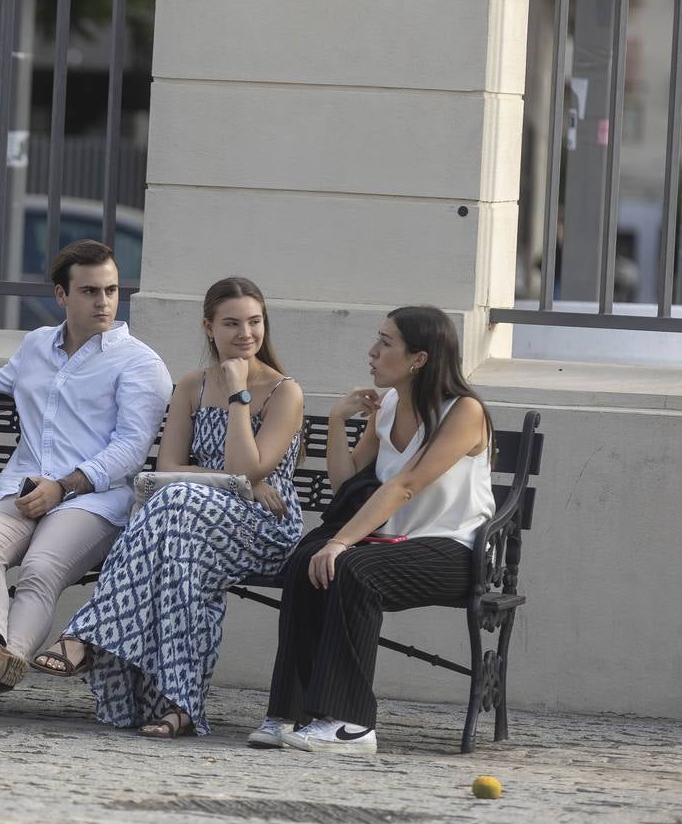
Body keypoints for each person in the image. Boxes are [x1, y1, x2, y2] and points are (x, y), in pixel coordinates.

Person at [34, 277, 305, 738]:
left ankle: (87, 635)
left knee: (176, 502)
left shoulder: (284, 391)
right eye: (232, 323)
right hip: (188, 522)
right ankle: (178, 706)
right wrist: (236, 482)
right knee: (181, 550)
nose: (245, 333)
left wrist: (238, 395)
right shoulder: (192, 386)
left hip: (262, 528)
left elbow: (244, 468)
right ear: (209, 327)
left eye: (255, 322)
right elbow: (170, 468)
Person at [0, 240, 173, 727]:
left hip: (94, 499)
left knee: (41, 569)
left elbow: (131, 450)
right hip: (21, 487)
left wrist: (63, 487)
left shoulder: (141, 364)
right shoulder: (36, 345)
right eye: (90, 291)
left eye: (111, 290)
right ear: (61, 295)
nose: (104, 302)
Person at [253, 306, 495, 754]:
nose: (372, 351)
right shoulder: (388, 407)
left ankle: (351, 724)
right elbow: (346, 484)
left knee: (352, 570)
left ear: (418, 358)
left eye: (385, 343)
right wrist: (338, 422)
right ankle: (290, 713)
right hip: (390, 544)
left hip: (453, 551)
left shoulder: (464, 411)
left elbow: (405, 485)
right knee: (306, 561)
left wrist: (341, 542)